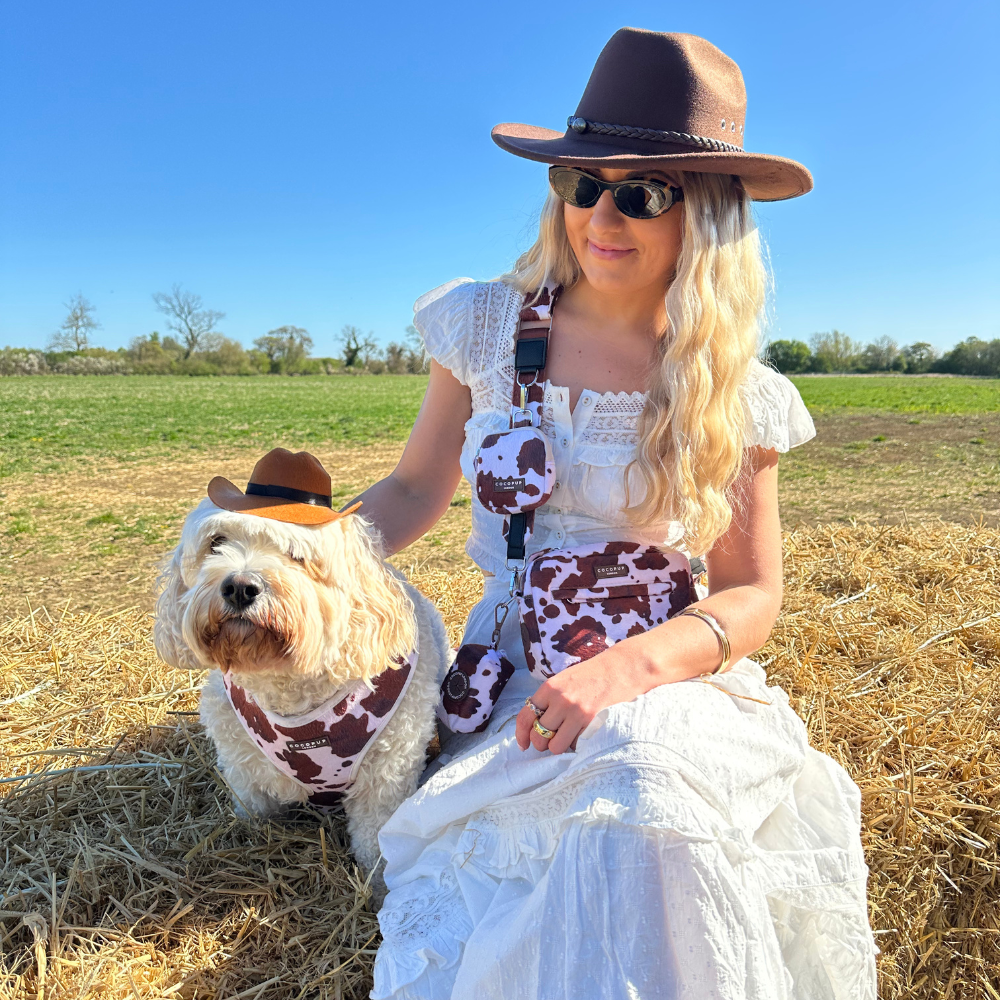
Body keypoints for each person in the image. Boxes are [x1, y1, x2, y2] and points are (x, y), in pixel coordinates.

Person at [355, 28, 877, 1000]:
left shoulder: (734, 390)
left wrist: (624, 671)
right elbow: (415, 490)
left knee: (646, 792)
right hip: (519, 668)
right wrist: (293, 556)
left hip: (664, 671)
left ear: (708, 214)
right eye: (581, 182)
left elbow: (751, 593)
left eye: (643, 193)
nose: (601, 213)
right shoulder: (483, 326)